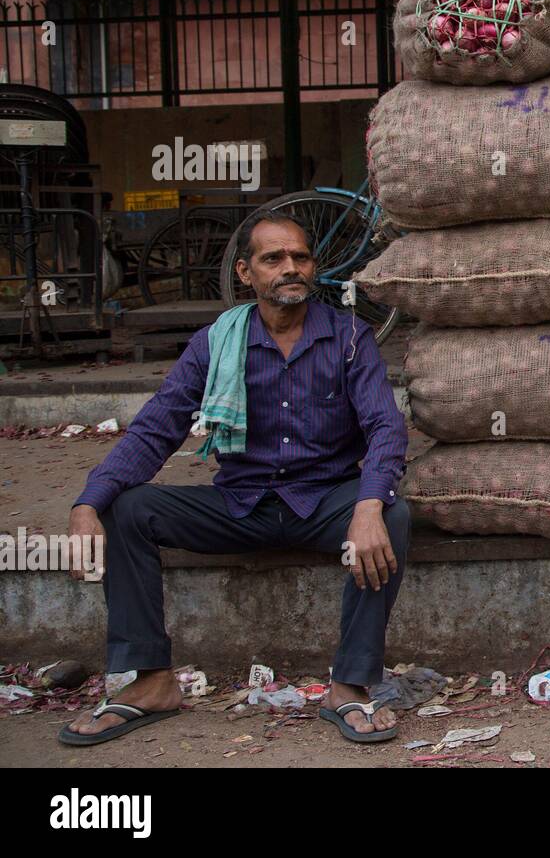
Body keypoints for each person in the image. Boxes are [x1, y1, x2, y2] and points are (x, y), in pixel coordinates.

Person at [59, 208, 409, 746]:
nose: (290, 268)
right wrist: (88, 502)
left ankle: (351, 686)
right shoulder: (215, 343)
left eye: (300, 257)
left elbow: (386, 426)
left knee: (391, 512)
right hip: (240, 505)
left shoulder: (350, 337)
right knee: (126, 509)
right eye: (274, 258)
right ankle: (151, 681)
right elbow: (156, 429)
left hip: (323, 505)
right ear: (247, 273)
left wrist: (366, 506)